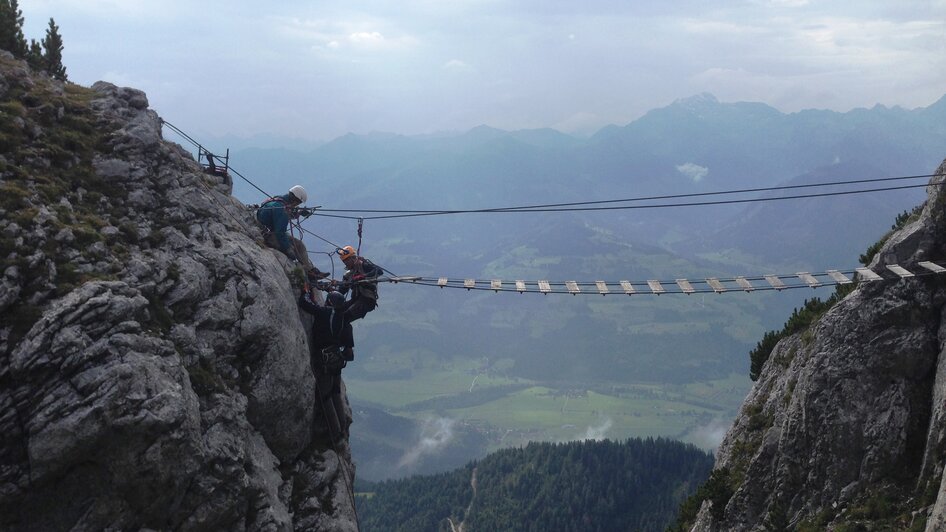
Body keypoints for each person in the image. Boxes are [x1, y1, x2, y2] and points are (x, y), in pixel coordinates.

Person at [298, 289, 354, 443]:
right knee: (335, 392)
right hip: (337, 359)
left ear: (329, 302)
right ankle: (342, 426)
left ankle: (335, 433)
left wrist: (305, 292)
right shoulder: (342, 318)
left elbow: (305, 304)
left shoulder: (323, 313)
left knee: (326, 395)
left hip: (324, 359)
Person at [256, 185, 327, 280]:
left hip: (271, 230)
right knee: (294, 249)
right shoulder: (281, 209)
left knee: (300, 245)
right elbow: (280, 232)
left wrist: (300, 213)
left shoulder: (279, 200)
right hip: (270, 235)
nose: (297, 205)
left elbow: (283, 215)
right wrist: (288, 248)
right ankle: (307, 274)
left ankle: (311, 270)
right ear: (294, 199)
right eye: (298, 202)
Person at [336, 245, 381, 322]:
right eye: (344, 261)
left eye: (347, 260)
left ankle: (343, 331)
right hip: (355, 299)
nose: (345, 263)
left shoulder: (364, 265)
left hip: (367, 300)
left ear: (353, 258)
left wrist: (363, 276)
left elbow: (379, 271)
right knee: (337, 312)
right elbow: (342, 290)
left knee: (345, 316)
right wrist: (331, 290)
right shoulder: (348, 275)